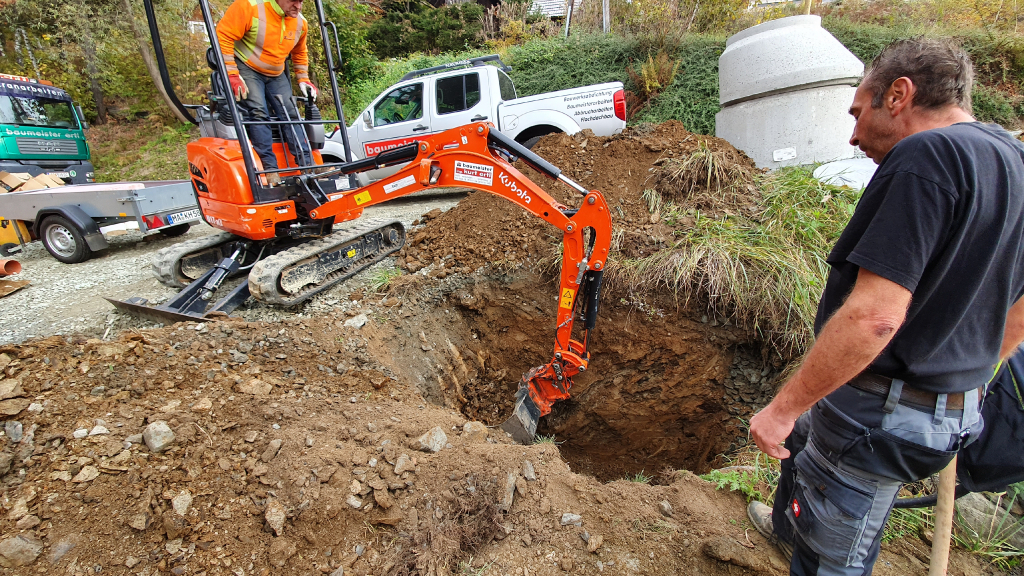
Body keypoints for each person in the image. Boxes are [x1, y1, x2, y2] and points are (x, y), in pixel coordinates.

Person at [745, 38, 1024, 576]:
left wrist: (781, 411)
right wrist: (973, 380)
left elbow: (875, 317)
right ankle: (789, 528)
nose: (852, 136)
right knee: (809, 451)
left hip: (880, 414)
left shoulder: (925, 157)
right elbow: (1018, 308)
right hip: (946, 407)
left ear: (898, 95)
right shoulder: (1012, 159)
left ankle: (812, 550)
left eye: (858, 112)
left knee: (835, 553)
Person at [216, 0, 317, 186]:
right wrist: (232, 74)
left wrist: (303, 78)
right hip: (247, 67)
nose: (298, 6)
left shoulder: (300, 23)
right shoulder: (249, 7)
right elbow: (223, 35)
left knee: (291, 113)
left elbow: (300, 52)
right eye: (293, 1)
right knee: (259, 112)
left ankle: (308, 166)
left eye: (301, 1)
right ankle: (270, 169)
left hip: (276, 73)